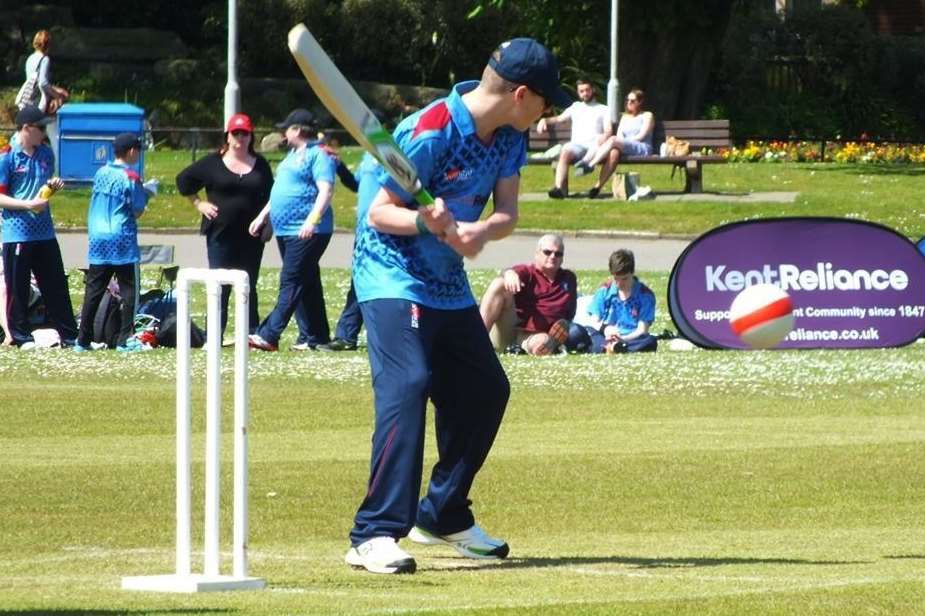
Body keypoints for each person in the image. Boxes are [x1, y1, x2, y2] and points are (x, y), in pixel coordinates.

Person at [345, 37, 570, 575]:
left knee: (487, 389)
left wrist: (480, 231)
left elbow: (508, 212)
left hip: (446, 283)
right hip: (390, 274)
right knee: (409, 382)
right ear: (520, 94)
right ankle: (373, 533)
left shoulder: (510, 137)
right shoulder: (431, 130)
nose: (548, 113)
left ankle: (443, 512)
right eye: (546, 101)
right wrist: (427, 220)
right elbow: (379, 213)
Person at [176, 113, 274, 335]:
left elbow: (273, 196)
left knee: (248, 286)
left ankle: (250, 335)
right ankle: (214, 335)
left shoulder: (261, 165)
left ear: (251, 137)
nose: (240, 138)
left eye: (245, 133)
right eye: (235, 133)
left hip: (253, 236)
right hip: (220, 234)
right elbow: (183, 181)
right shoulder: (212, 162)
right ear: (227, 136)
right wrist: (199, 203)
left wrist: (270, 225)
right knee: (219, 286)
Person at [247, 109, 335, 352]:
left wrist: (312, 220)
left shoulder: (318, 155)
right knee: (307, 281)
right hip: (286, 230)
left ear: (297, 130)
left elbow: (326, 190)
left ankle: (268, 335)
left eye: (287, 128)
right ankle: (315, 336)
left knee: (291, 280)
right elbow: (281, 191)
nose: (284, 132)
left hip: (307, 230)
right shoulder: (291, 156)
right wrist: (263, 216)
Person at [0, 105, 78, 349]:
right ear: (26, 128)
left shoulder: (46, 153)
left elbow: (42, 186)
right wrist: (27, 205)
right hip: (17, 232)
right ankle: (20, 335)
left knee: (55, 283)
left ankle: (69, 335)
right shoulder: (7, 155)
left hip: (44, 231)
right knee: (18, 287)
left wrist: (52, 186)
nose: (44, 133)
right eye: (40, 128)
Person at [74, 133, 154, 353]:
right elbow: (137, 210)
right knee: (129, 290)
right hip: (122, 238)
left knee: (94, 290)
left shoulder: (101, 172)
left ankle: (82, 340)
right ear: (131, 151)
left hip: (98, 237)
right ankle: (124, 339)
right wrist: (148, 194)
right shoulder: (131, 176)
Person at [316, 154, 377, 353]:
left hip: (384, 230)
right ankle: (346, 335)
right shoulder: (368, 155)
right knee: (359, 281)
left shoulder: (394, 153)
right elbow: (356, 184)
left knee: (373, 282)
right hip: (364, 231)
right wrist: (340, 165)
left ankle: (349, 335)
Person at [479, 233, 576, 355]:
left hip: (540, 335)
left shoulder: (568, 278)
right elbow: (512, 272)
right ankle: (478, 338)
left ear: (562, 258)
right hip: (514, 330)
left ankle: (547, 346)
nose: (553, 256)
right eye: (547, 252)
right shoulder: (528, 273)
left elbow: (570, 312)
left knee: (542, 343)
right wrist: (509, 273)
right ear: (537, 254)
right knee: (499, 284)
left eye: (558, 254)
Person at [566, 249, 658, 354]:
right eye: (616, 279)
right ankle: (615, 348)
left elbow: (642, 330)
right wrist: (606, 329)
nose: (619, 284)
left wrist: (623, 338)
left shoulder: (645, 295)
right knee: (587, 334)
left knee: (649, 341)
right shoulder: (605, 291)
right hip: (605, 334)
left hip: (631, 337)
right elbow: (594, 320)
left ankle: (611, 348)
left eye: (624, 279)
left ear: (632, 273)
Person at [536, 79, 610, 199]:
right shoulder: (575, 107)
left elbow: (608, 130)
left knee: (598, 147)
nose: (585, 93)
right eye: (581, 91)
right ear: (578, 92)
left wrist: (605, 136)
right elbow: (559, 119)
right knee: (565, 151)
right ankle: (559, 188)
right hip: (577, 146)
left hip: (595, 147)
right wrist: (544, 120)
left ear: (593, 90)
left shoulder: (603, 109)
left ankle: (588, 169)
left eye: (587, 90)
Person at [580, 88, 655, 198]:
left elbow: (641, 136)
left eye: (632, 101)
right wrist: (620, 142)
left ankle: (590, 164)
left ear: (640, 102)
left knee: (614, 140)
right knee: (614, 153)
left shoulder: (647, 115)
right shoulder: (625, 117)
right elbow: (619, 136)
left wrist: (621, 142)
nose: (629, 102)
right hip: (625, 146)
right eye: (627, 100)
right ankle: (597, 187)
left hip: (642, 147)